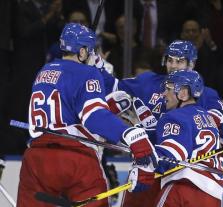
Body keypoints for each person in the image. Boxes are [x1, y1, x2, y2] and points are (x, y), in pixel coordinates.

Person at [17, 23, 158, 207]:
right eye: (91, 51)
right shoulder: (88, 73)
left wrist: (109, 105)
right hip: (75, 159)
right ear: (82, 52)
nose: (93, 55)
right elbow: (93, 116)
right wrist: (130, 135)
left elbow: (68, 109)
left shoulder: (43, 71)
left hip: (35, 159)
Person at [94, 40, 223, 207]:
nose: (173, 66)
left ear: (191, 63)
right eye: (170, 60)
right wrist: (96, 64)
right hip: (148, 166)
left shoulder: (205, 94)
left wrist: (213, 117)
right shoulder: (148, 82)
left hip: (178, 172)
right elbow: (112, 87)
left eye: (179, 61)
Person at [152, 69, 223, 207]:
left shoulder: (175, 117)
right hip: (213, 197)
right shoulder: (208, 118)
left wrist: (144, 160)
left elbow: (171, 155)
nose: (164, 94)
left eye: (169, 89)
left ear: (183, 93)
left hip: (183, 189)